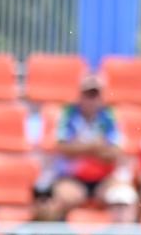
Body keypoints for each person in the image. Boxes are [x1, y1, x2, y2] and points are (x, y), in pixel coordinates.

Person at [50, 74, 124, 208]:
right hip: (72, 178)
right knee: (65, 197)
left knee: (120, 196)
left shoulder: (109, 115)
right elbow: (62, 148)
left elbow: (114, 153)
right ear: (80, 96)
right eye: (88, 95)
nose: (91, 100)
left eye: (95, 95)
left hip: (103, 179)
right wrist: (95, 147)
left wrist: (79, 148)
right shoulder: (68, 113)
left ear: (101, 97)